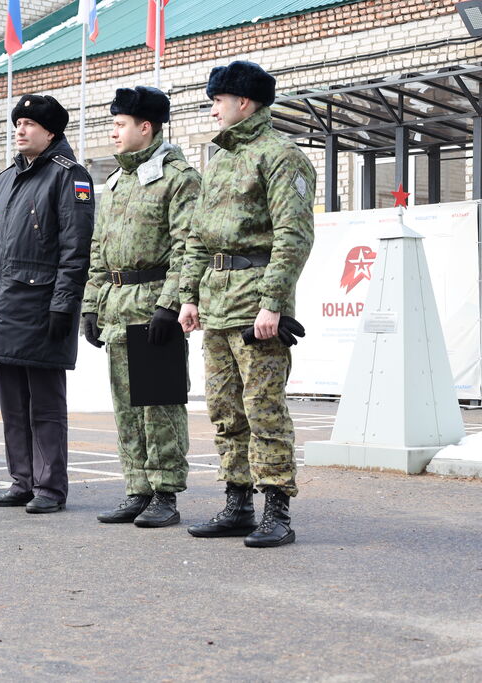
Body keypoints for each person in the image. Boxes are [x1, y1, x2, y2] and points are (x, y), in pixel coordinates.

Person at [178, 61, 315, 548]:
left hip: (256, 306)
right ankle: (238, 505)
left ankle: (277, 510)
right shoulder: (218, 160)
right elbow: (198, 236)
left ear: (243, 102)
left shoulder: (282, 156)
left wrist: (273, 302)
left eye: (218, 100)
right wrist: (189, 296)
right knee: (225, 411)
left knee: (264, 409)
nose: (213, 110)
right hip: (216, 304)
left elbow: (293, 235)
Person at [0, 94, 95, 513]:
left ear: (50, 132)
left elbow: (75, 248)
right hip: (3, 306)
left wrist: (63, 305)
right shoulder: (6, 180)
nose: (19, 131)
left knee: (45, 405)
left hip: (41, 306)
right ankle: (21, 480)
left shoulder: (68, 176)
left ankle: (49, 487)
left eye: (29, 125)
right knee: (12, 405)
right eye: (17, 124)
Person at [82, 86, 201, 527]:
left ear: (145, 127)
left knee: (159, 406)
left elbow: (188, 246)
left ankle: (165, 493)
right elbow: (99, 249)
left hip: (153, 305)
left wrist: (170, 305)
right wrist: (92, 305)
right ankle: (138, 488)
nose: (113, 132)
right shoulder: (117, 181)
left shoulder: (179, 178)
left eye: (120, 125)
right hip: (117, 305)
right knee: (127, 408)